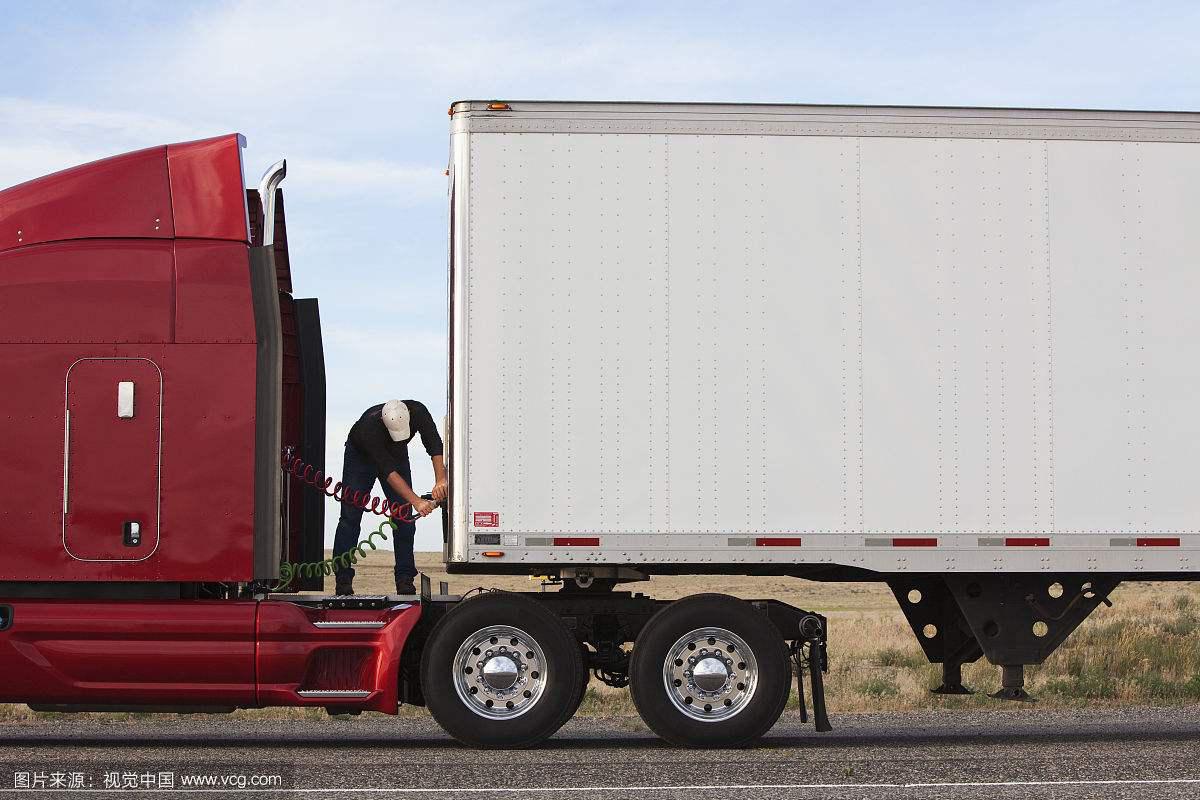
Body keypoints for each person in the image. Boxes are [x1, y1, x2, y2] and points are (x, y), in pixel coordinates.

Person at [332, 399, 446, 595]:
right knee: (350, 517)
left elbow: (434, 445)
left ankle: (405, 579)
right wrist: (417, 501)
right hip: (360, 457)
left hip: (396, 455)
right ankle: (343, 580)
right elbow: (388, 471)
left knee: (404, 518)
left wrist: (441, 480)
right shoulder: (369, 428)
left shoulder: (418, 411)